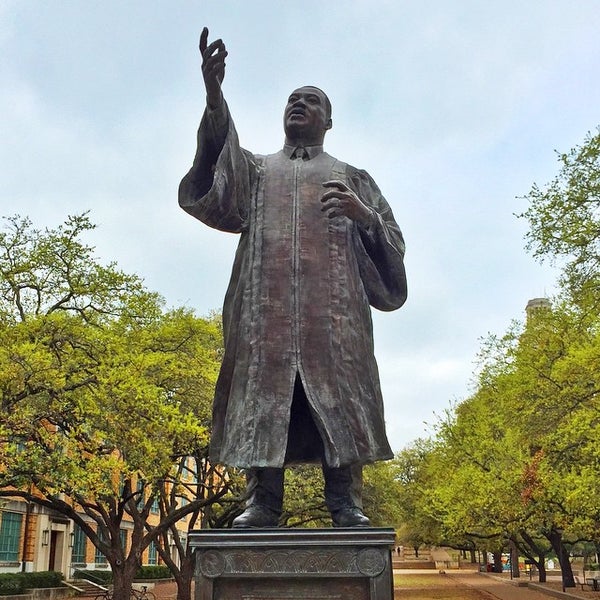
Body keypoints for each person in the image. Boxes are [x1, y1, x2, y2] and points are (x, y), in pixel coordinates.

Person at [179, 28, 407, 528]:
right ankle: (263, 501)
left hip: (335, 319)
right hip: (266, 314)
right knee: (265, 398)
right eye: (292, 100)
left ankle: (345, 502)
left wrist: (363, 215)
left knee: (341, 398)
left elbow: (392, 251)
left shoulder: (353, 177)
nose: (298, 106)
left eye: (311, 101)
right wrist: (215, 98)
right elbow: (215, 189)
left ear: (329, 120)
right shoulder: (257, 171)